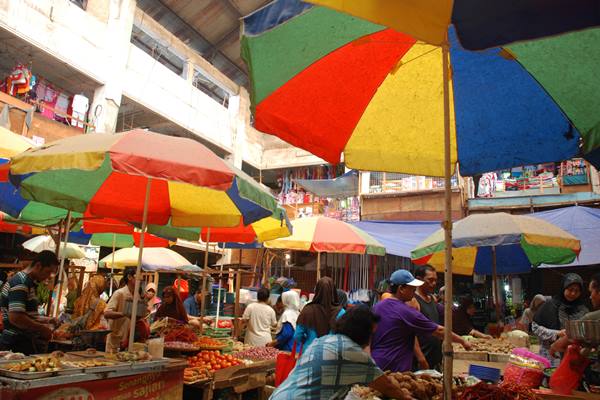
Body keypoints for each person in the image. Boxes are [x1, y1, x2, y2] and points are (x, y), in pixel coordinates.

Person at [271, 306, 411, 400]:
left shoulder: (324, 340)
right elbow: (387, 386)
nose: (370, 340)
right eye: (371, 334)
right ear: (363, 332)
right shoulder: (353, 353)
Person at [371, 269, 472, 372]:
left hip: (376, 362)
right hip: (395, 366)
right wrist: (462, 341)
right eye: (411, 288)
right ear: (401, 289)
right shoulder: (406, 311)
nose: (414, 291)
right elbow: (439, 331)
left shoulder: (378, 307)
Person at [0, 251, 59, 355]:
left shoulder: (29, 282)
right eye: (48, 272)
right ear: (38, 266)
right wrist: (42, 329)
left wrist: (48, 320)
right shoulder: (21, 283)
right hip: (16, 343)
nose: (49, 276)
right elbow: (16, 317)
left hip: (22, 341)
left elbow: (25, 314)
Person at [533, 273, 588, 364]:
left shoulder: (583, 310)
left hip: (574, 357)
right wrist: (556, 333)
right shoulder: (550, 305)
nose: (573, 293)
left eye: (577, 291)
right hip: (552, 356)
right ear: (563, 288)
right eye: (570, 289)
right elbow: (535, 327)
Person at [550, 272, 600, 356]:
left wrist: (554, 346)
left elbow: (568, 338)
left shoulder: (589, 315)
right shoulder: (551, 305)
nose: (590, 296)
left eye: (591, 292)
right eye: (570, 290)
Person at [295, 277, 345, 350]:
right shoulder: (341, 312)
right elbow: (343, 338)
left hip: (309, 353)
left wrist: (308, 341)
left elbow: (297, 336)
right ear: (333, 291)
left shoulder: (307, 310)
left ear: (317, 291)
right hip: (331, 354)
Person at [414, 265, 443, 371]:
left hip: (435, 358)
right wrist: (421, 358)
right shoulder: (413, 301)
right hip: (422, 359)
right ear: (418, 280)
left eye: (435, 280)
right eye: (430, 280)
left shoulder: (432, 300)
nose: (434, 283)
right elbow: (411, 333)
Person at [104, 267, 137, 353]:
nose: (140, 279)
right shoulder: (119, 293)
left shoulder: (136, 295)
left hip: (127, 341)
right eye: (137, 276)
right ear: (130, 277)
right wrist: (124, 313)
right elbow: (107, 313)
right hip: (115, 341)